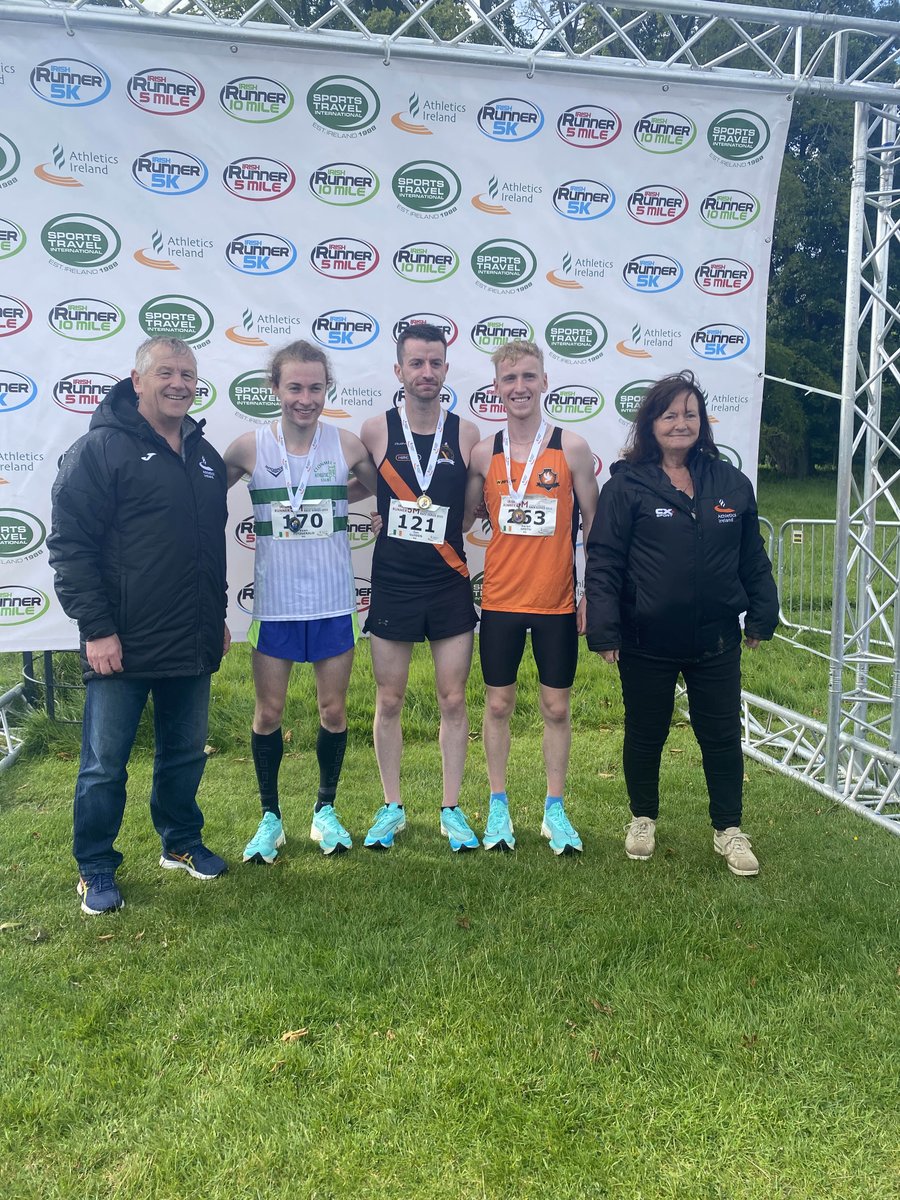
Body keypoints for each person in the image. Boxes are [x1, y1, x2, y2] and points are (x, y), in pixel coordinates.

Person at [48, 337, 230, 915]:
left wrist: (218, 617)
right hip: (119, 643)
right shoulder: (99, 450)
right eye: (166, 373)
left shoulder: (205, 455)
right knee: (104, 766)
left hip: (191, 637)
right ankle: (95, 865)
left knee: (185, 753)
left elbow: (210, 549)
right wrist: (96, 629)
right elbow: (71, 546)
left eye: (188, 375)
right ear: (137, 381)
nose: (179, 384)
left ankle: (180, 841)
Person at [584, 370, 778, 876]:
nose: (680, 423)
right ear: (651, 423)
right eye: (669, 415)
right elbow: (604, 560)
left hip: (716, 639)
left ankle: (729, 830)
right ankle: (642, 818)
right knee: (645, 733)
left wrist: (763, 612)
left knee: (721, 736)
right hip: (645, 638)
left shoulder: (730, 483)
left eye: (690, 414)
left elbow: (751, 556)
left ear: (702, 422)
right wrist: (604, 627)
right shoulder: (626, 486)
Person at [224, 341, 377, 862]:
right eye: (294, 387)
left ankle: (324, 810)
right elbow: (199, 497)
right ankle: (270, 817)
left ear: (326, 389)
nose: (305, 398)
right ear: (275, 389)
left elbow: (389, 492)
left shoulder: (347, 445)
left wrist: (353, 502)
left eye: (315, 387)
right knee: (268, 712)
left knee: (333, 710)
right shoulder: (248, 449)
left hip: (333, 603)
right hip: (276, 607)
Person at [464, 340, 599, 854]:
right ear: (496, 389)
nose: (518, 387)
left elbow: (595, 527)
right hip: (500, 599)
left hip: (556, 602)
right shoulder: (484, 453)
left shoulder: (573, 448)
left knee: (556, 708)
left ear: (544, 381)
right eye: (509, 379)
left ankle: (554, 809)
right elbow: (464, 516)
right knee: (498, 704)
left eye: (527, 377)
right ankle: (498, 805)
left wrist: (592, 593)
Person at [359, 324, 481, 851]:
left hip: (449, 581)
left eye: (435, 363)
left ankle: (451, 809)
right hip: (394, 581)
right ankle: (392, 806)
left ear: (446, 369)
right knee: (389, 698)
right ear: (399, 370)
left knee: (453, 698)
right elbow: (356, 485)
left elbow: (474, 508)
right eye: (416, 363)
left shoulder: (467, 434)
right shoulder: (374, 430)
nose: (426, 372)